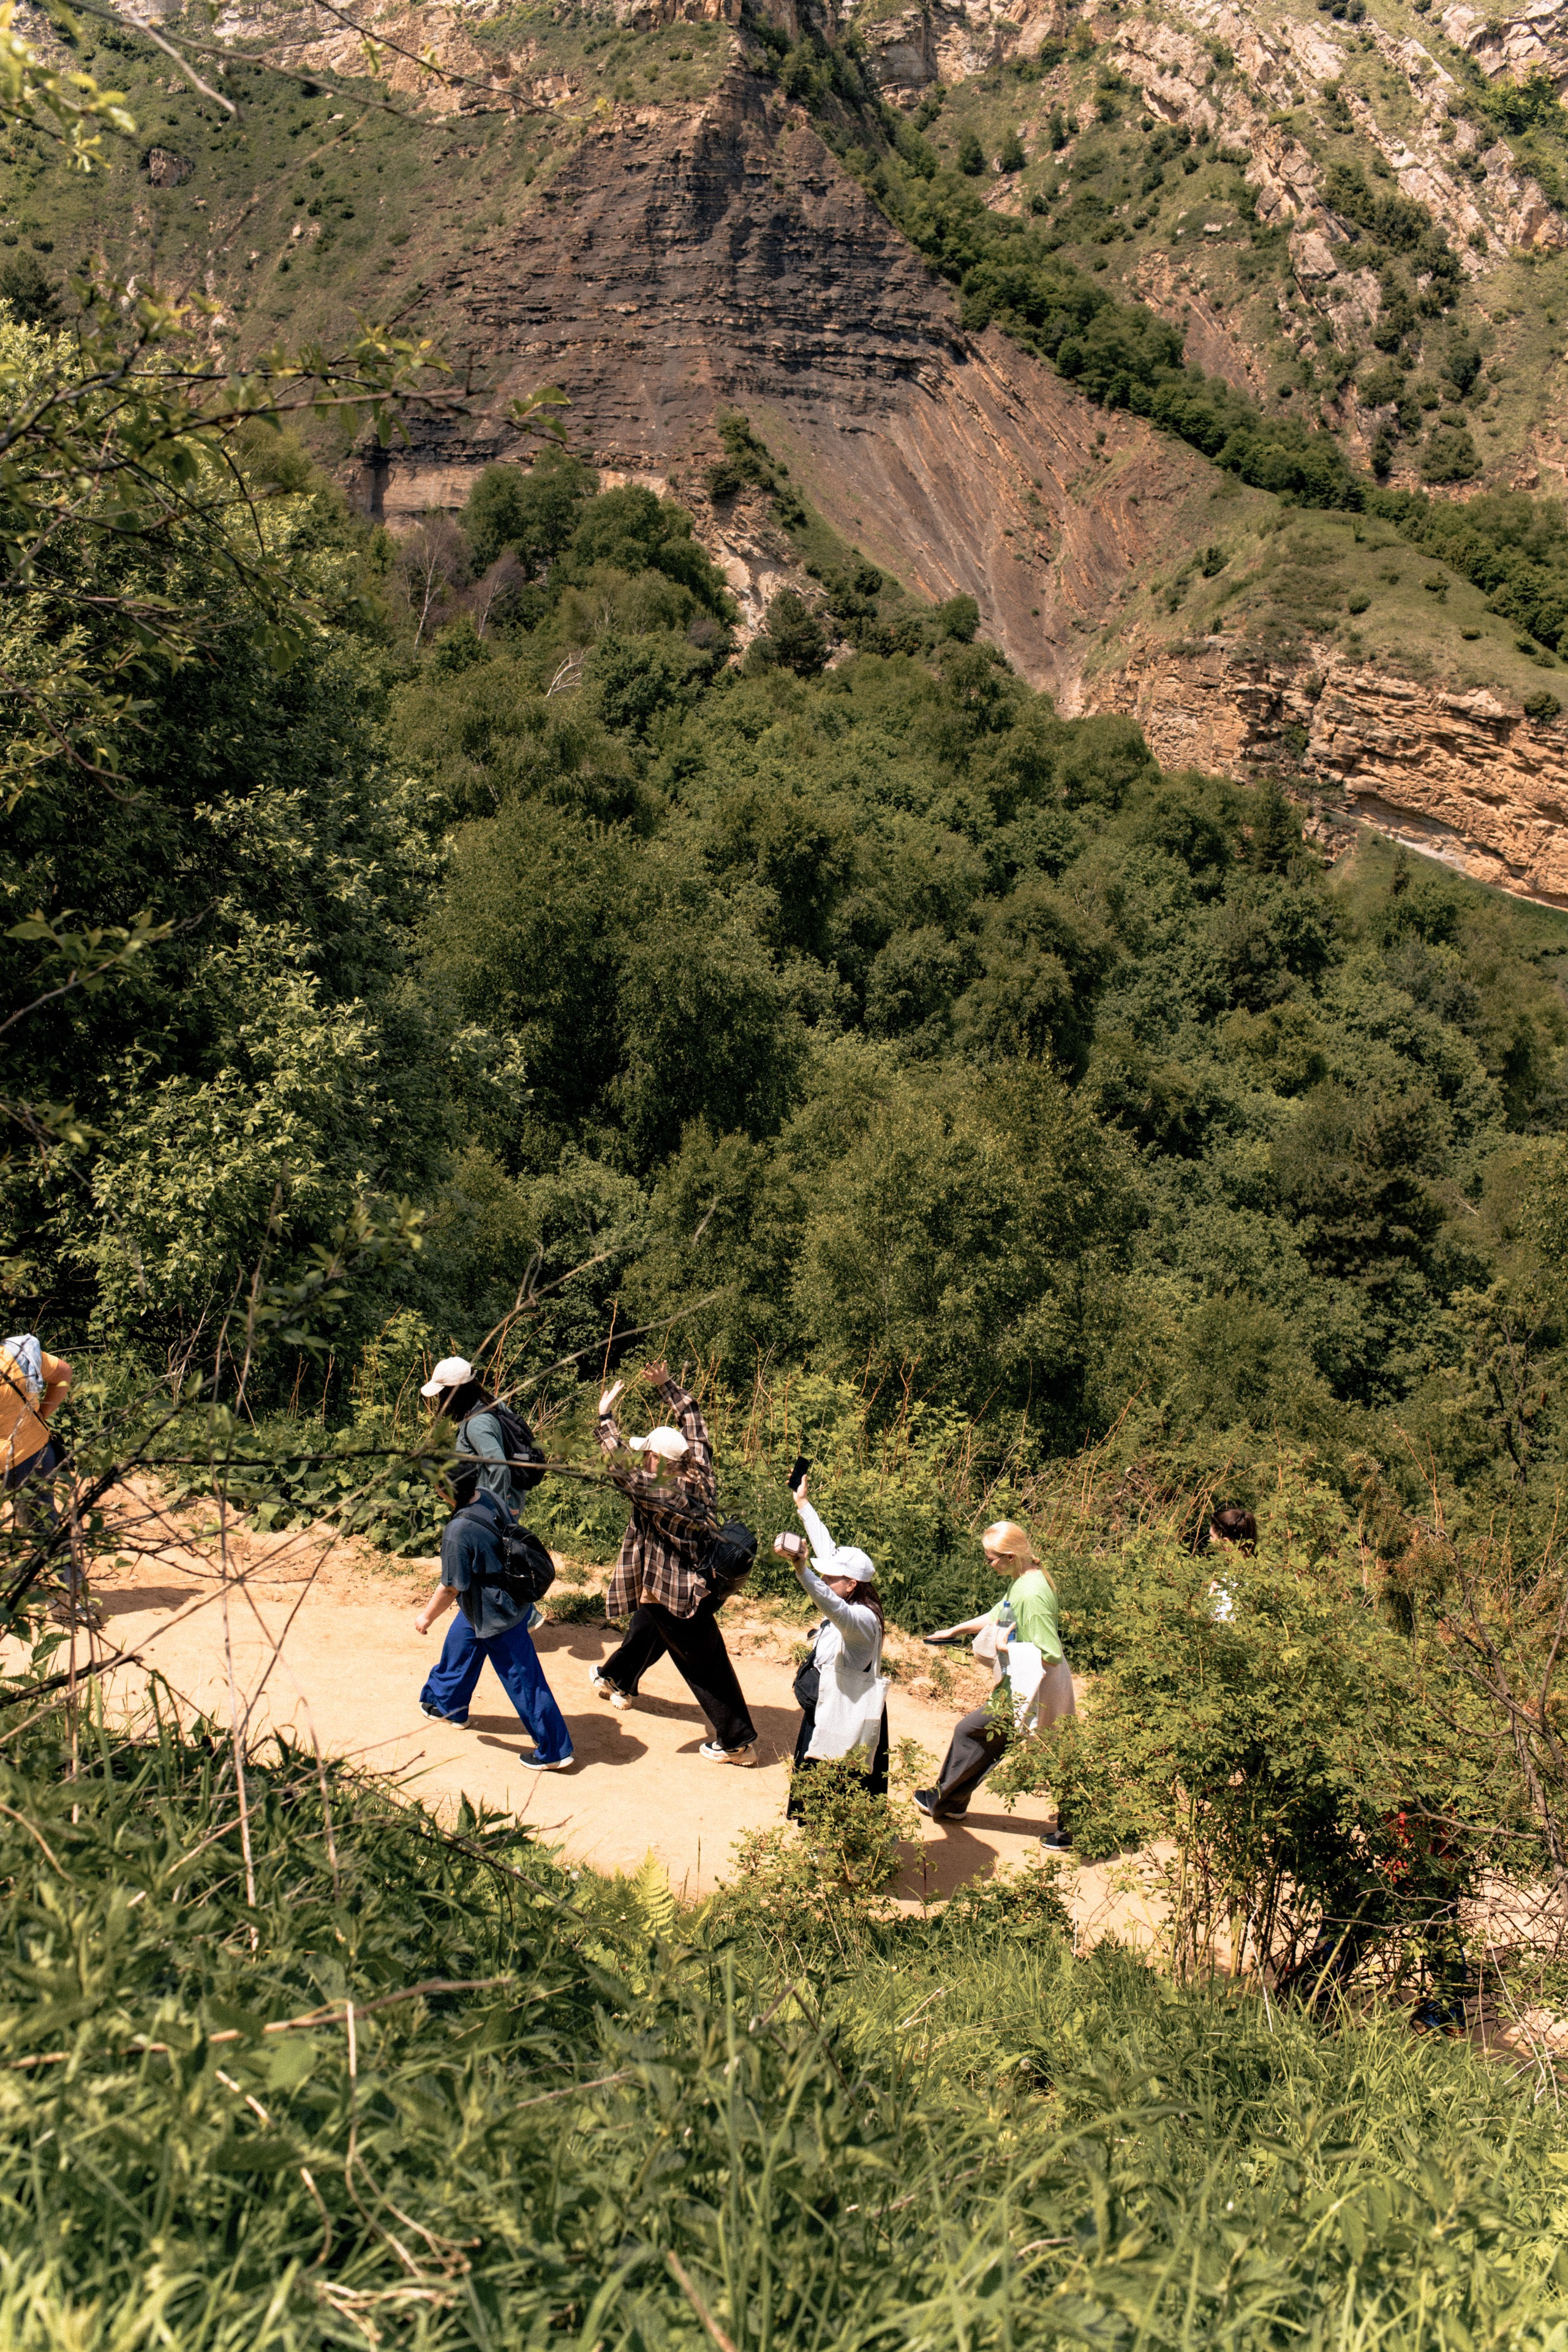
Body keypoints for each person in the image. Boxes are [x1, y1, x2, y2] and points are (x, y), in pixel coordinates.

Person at [589, 1360, 758, 1765]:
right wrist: (668, 1386)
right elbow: (694, 1422)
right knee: (648, 1622)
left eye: (645, 1452)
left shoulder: (658, 1493)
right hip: (686, 1582)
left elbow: (618, 1468)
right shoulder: (700, 1473)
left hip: (680, 1592)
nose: (641, 1458)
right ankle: (619, 1678)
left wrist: (605, 1418)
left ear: (656, 1461)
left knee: (705, 1664)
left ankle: (737, 1742)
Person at [914, 1520, 1075, 1838]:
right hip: (1024, 1678)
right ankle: (949, 1802)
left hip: (1042, 1683)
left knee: (1057, 1752)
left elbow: (1050, 1653)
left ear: (1010, 1556)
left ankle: (1075, 1829)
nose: (988, 1565)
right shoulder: (1022, 1578)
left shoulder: (1033, 1594)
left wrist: (1004, 1647)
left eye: (990, 1559)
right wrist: (956, 1630)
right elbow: (998, 1614)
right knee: (978, 1733)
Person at [413, 1482, 573, 1770]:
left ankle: (555, 1750)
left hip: (498, 1613)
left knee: (524, 1681)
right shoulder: (488, 1494)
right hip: (503, 1596)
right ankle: (449, 1706)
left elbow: (450, 1587)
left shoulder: (457, 1532)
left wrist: (426, 1617)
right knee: (461, 1642)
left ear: (443, 1490)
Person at [775, 1472, 888, 1819]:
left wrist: (802, 1569)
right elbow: (827, 1551)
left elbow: (830, 1603)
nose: (824, 1578)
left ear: (852, 1584)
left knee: (837, 1792)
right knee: (816, 1795)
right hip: (831, 1704)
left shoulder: (862, 1621)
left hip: (843, 1714)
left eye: (830, 1577)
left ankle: (840, 1858)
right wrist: (804, 1504)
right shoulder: (853, 1590)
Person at [1, 1333, 71, 1531]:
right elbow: (64, 1373)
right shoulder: (16, 1353)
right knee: (45, 1532)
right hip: (35, 1457)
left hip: (14, 1463)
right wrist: (41, 1414)